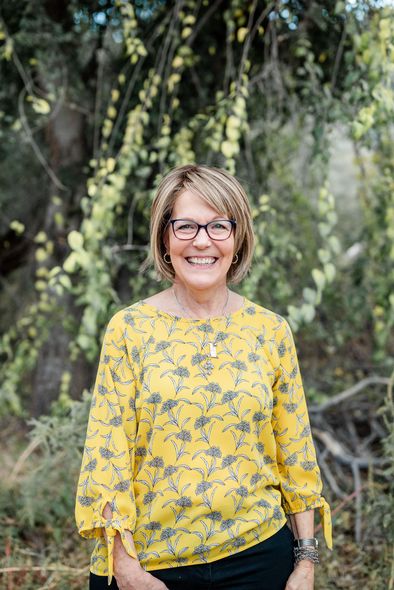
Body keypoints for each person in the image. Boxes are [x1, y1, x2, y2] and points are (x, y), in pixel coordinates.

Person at [75, 164, 332, 590]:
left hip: (259, 558)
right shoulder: (129, 329)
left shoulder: (270, 331)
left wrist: (305, 562)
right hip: (152, 565)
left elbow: (296, 453)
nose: (202, 241)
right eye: (186, 226)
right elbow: (107, 457)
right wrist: (127, 569)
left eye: (218, 226)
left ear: (238, 237)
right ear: (165, 237)